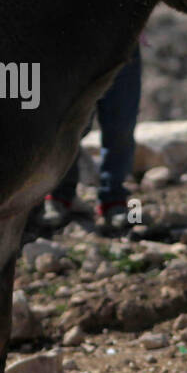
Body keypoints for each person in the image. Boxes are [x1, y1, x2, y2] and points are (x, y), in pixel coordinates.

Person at [37, 42, 143, 236]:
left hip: (124, 44)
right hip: (79, 42)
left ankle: (114, 199)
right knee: (70, 125)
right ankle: (59, 195)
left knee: (121, 128)